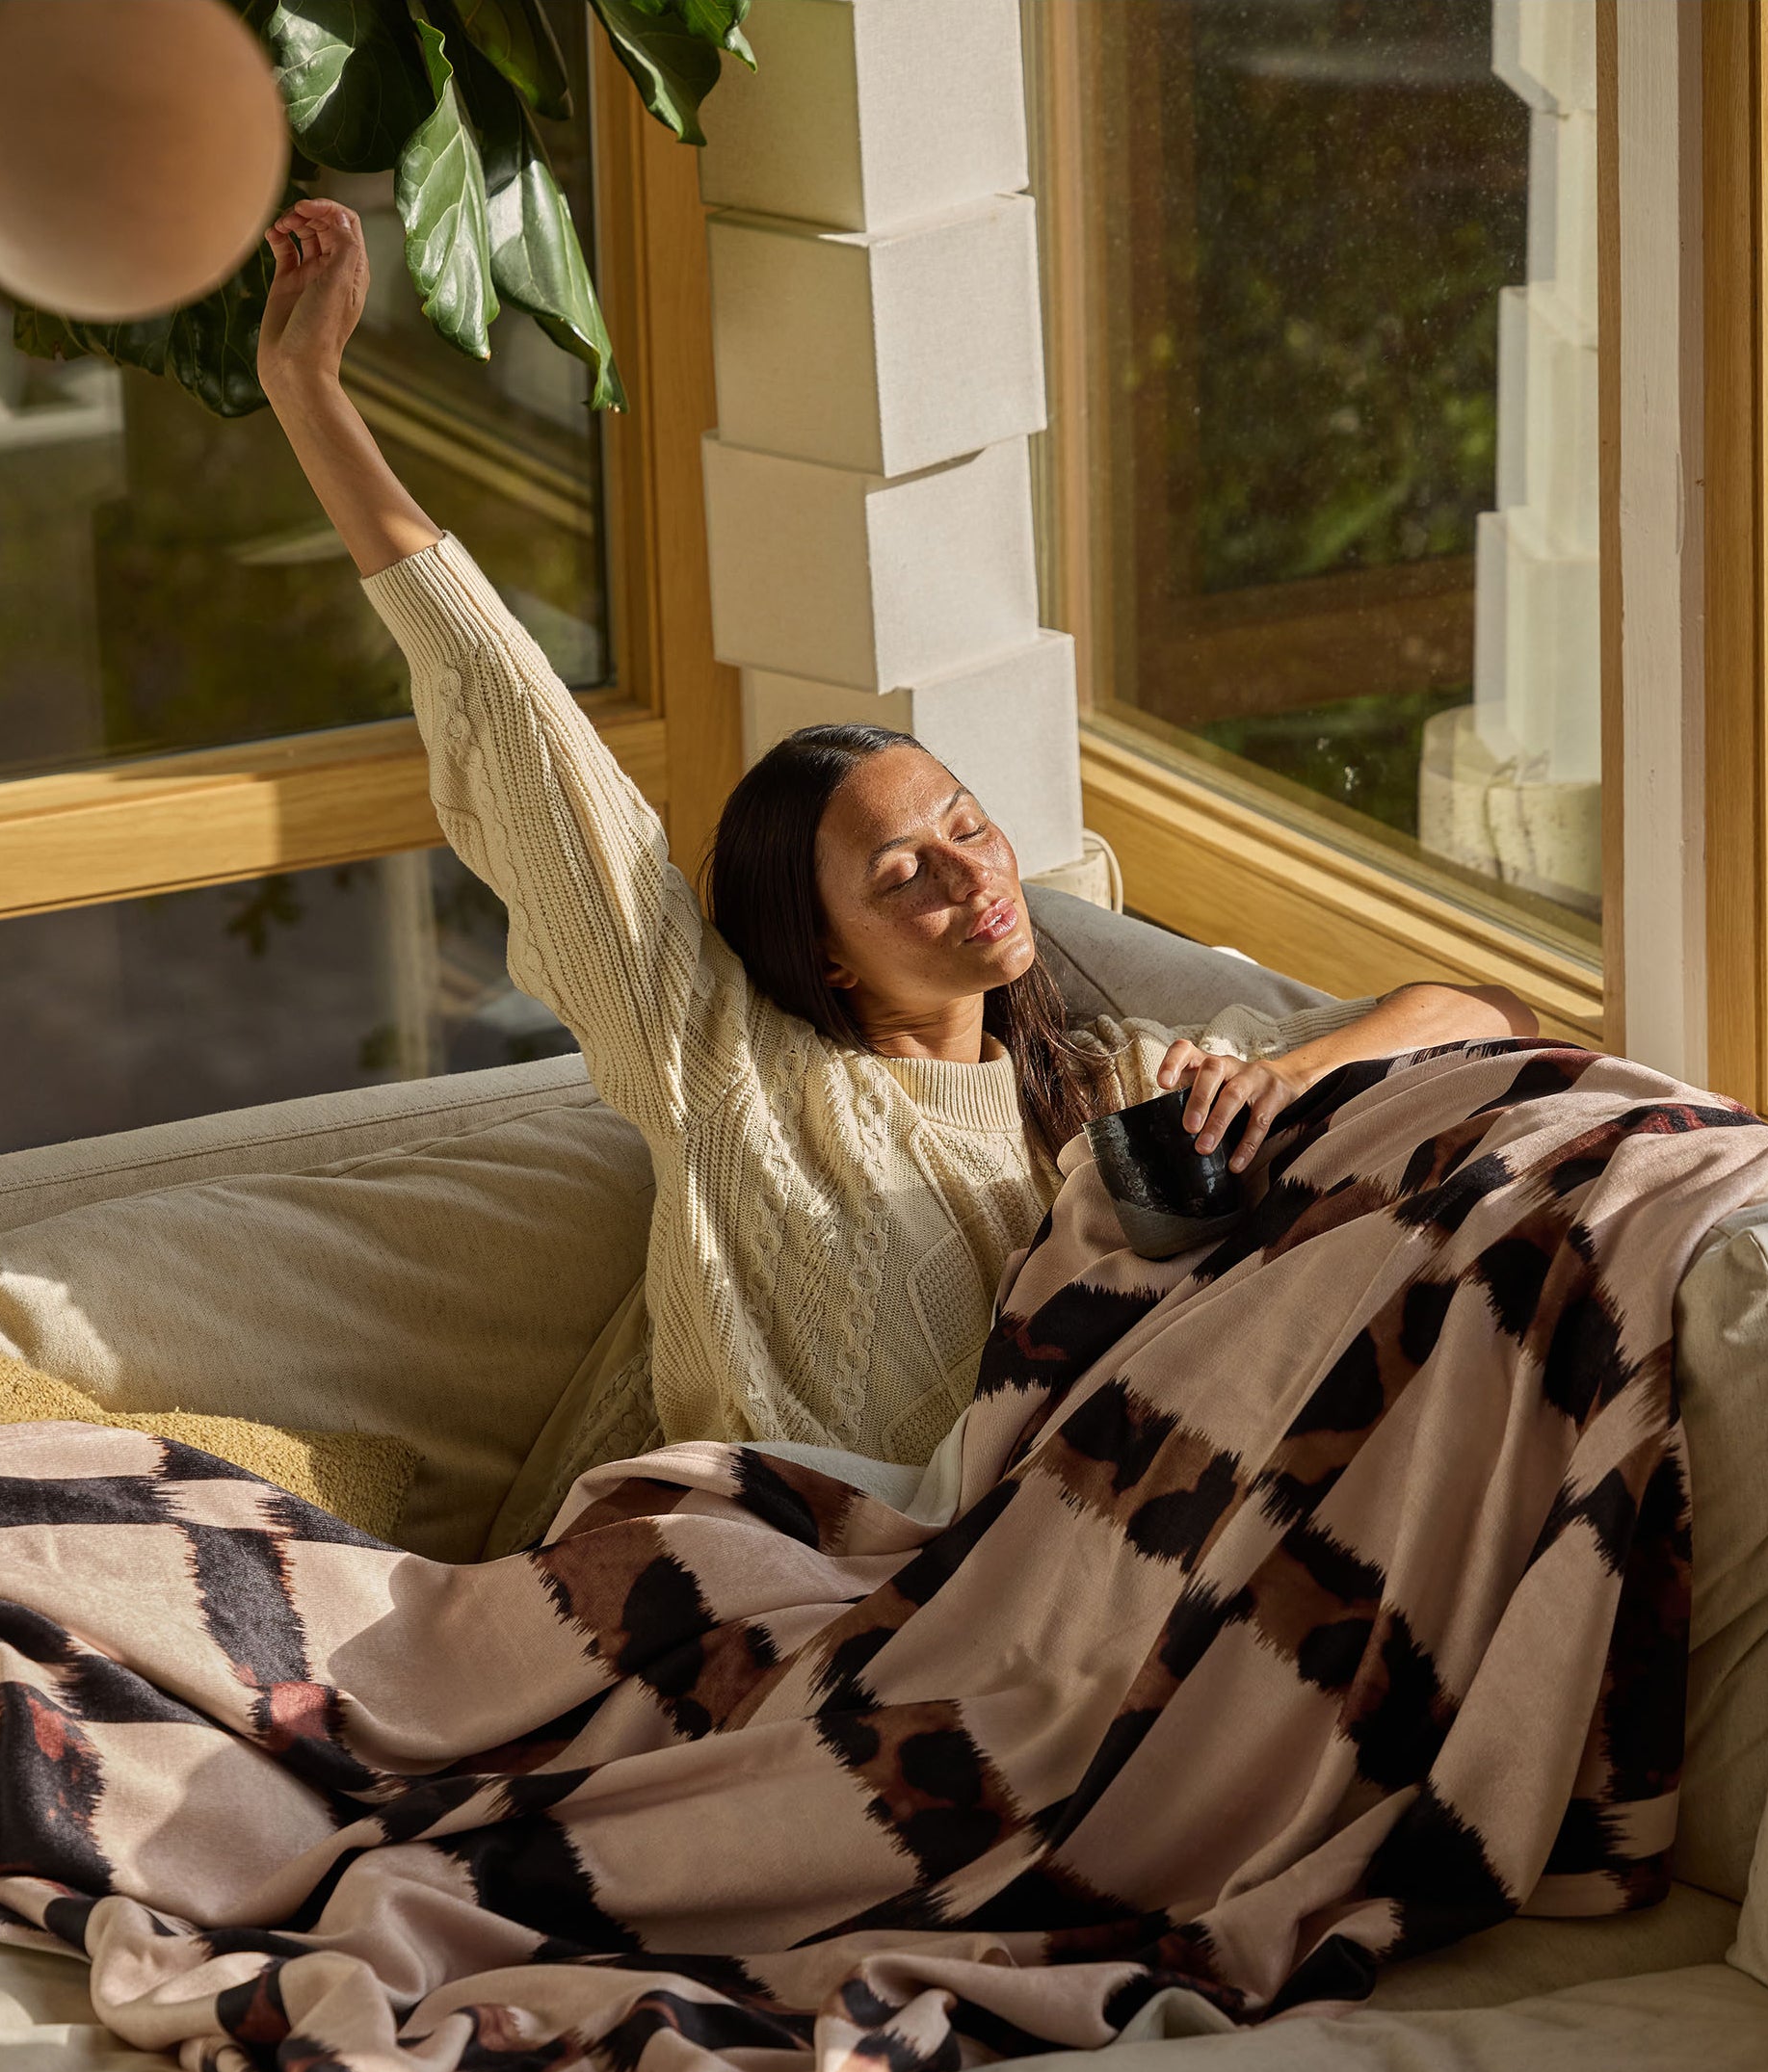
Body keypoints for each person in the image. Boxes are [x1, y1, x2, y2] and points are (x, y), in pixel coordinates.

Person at [258, 199, 1539, 1528]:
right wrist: (311, 394)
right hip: (754, 1586)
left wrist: (1292, 1071)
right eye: (901, 873)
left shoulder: (1114, 1087)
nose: (971, 876)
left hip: (1035, 1579)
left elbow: (1495, 1015)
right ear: (821, 952)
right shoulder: (733, 1074)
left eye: (967, 827)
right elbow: (516, 721)